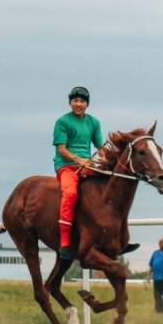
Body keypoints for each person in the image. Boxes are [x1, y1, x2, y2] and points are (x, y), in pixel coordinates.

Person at [52, 86, 104, 260]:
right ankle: (65, 241)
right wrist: (79, 160)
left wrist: (109, 162)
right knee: (70, 193)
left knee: (110, 188)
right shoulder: (62, 122)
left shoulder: (94, 122)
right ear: (70, 103)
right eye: (75, 101)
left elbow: (100, 147)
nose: (78, 104)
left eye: (82, 101)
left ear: (87, 104)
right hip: (66, 165)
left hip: (88, 165)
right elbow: (61, 149)